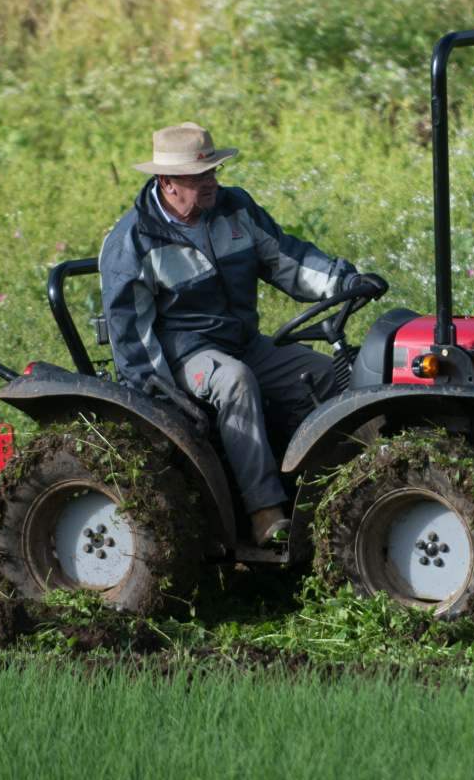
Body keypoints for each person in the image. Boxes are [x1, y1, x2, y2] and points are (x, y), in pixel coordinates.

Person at [98, 122, 386, 546]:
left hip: (243, 342)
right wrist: (160, 403)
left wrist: (343, 281)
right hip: (183, 356)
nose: (211, 182)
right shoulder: (132, 244)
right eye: (198, 177)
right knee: (235, 381)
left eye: (213, 171)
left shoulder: (235, 209)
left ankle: (338, 493)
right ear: (167, 183)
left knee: (330, 374)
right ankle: (264, 511)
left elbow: (287, 258)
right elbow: (133, 342)